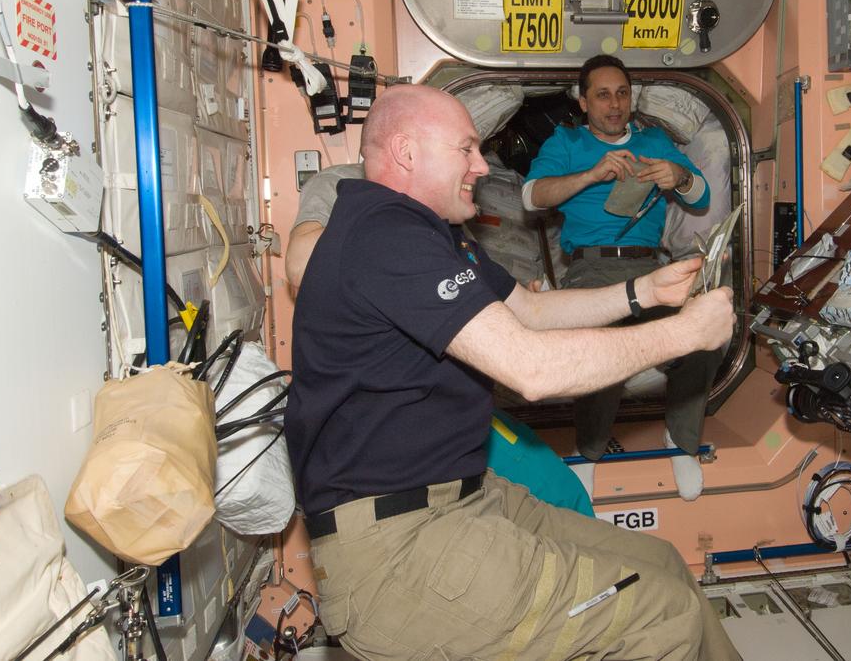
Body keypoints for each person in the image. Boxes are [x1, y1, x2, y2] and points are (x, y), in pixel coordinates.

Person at [289, 85, 740, 661]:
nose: (482, 165)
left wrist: (643, 292)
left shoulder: (435, 234)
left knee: (663, 564)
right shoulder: (384, 236)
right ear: (405, 152)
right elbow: (530, 369)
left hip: (463, 496)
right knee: (662, 617)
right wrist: (684, 335)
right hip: (399, 547)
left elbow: (528, 311)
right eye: (466, 149)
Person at [286, 162, 593, 517]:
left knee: (562, 493)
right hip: (392, 431)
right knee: (546, 503)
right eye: (462, 148)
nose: (476, 164)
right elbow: (299, 264)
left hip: (461, 400)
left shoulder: (443, 193)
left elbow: (468, 281)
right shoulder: (342, 184)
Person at [523, 54, 724, 500]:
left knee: (713, 329)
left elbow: (702, 196)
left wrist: (680, 175)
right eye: (602, 95)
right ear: (583, 102)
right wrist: (592, 174)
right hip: (591, 269)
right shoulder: (566, 143)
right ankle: (588, 453)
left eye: (622, 93)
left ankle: (681, 440)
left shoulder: (654, 140)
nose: (614, 105)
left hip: (649, 264)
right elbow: (532, 196)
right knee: (603, 340)